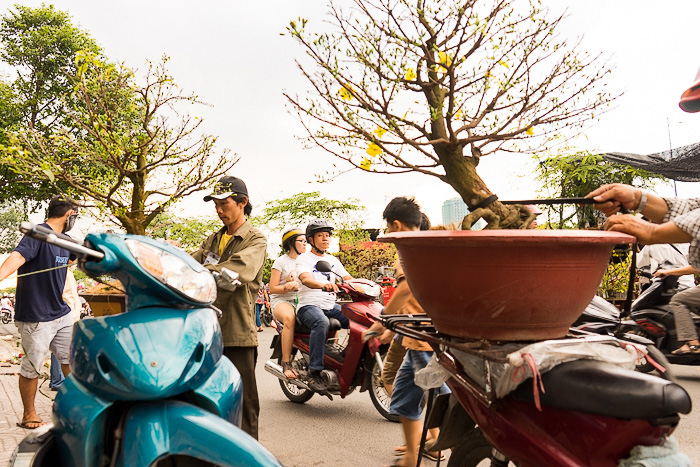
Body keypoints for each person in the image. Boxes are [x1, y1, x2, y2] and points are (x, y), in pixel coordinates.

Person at [362, 197, 449, 467]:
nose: (388, 234)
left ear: (397, 224)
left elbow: (406, 289)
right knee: (403, 396)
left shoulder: (410, 251)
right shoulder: (431, 246)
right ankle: (415, 453)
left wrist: (382, 322)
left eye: (388, 228)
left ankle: (428, 447)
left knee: (436, 392)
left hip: (423, 339)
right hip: (419, 336)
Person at [191, 176, 267, 439]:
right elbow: (188, 265)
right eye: (215, 204)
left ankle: (247, 454)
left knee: (243, 401)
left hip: (236, 332)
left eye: (224, 204)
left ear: (243, 203)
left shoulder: (255, 239)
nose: (219, 210)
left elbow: (238, 271)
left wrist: (200, 271)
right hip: (206, 331)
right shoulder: (212, 240)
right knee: (207, 397)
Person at [587, 184, 700, 355]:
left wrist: (653, 232)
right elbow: (692, 211)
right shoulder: (681, 242)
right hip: (685, 282)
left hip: (669, 283)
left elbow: (639, 263)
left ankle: (692, 343)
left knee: (679, 301)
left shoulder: (652, 246)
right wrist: (637, 199)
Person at [0, 195, 78, 429]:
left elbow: (74, 259)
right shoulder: (37, 234)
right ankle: (29, 414)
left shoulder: (66, 240)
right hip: (35, 314)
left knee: (71, 361)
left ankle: (78, 409)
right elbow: (18, 257)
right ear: (69, 214)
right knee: (33, 365)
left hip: (61, 312)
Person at [296, 219, 351, 393]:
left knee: (357, 318)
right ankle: (315, 371)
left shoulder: (332, 260)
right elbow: (305, 279)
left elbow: (348, 279)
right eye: (320, 236)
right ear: (311, 240)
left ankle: (348, 359)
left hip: (330, 306)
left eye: (327, 236)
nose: (325, 239)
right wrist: (322, 285)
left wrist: (367, 285)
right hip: (309, 306)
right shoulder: (304, 258)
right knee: (321, 322)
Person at [269, 227, 305, 379]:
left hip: (303, 300)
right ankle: (286, 363)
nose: (305, 244)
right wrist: (286, 287)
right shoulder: (280, 262)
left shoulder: (307, 260)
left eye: (306, 241)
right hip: (282, 301)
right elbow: (272, 288)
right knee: (290, 318)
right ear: (291, 243)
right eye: (301, 241)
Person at [49, 261, 83, 390]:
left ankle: (58, 380)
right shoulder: (59, 271)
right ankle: (58, 381)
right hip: (63, 314)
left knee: (64, 351)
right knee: (61, 350)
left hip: (71, 314)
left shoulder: (68, 272)